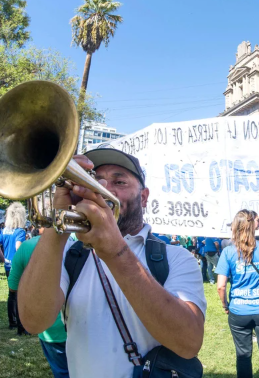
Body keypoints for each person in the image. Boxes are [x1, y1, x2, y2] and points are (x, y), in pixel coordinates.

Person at [18, 149, 207, 377]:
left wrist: (114, 250)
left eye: (119, 181)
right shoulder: (70, 255)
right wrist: (58, 219)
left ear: (144, 197)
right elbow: (32, 321)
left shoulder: (176, 257)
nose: (105, 188)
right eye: (95, 180)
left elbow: (188, 343)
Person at [216, 210, 259, 378]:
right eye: (258, 220)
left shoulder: (228, 251)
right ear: (251, 224)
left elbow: (220, 286)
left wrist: (225, 305)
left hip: (239, 311)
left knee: (243, 355)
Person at [9, 226, 69, 377]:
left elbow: (12, 287)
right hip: (75, 324)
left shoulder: (25, 247)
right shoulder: (73, 241)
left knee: (62, 372)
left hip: (50, 330)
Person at [0, 202, 28, 332]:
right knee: (20, 295)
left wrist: (3, 259)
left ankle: (12, 322)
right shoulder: (20, 231)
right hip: (18, 267)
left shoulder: (5, 230)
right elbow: (18, 247)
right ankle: (21, 326)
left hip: (8, 267)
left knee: (12, 294)